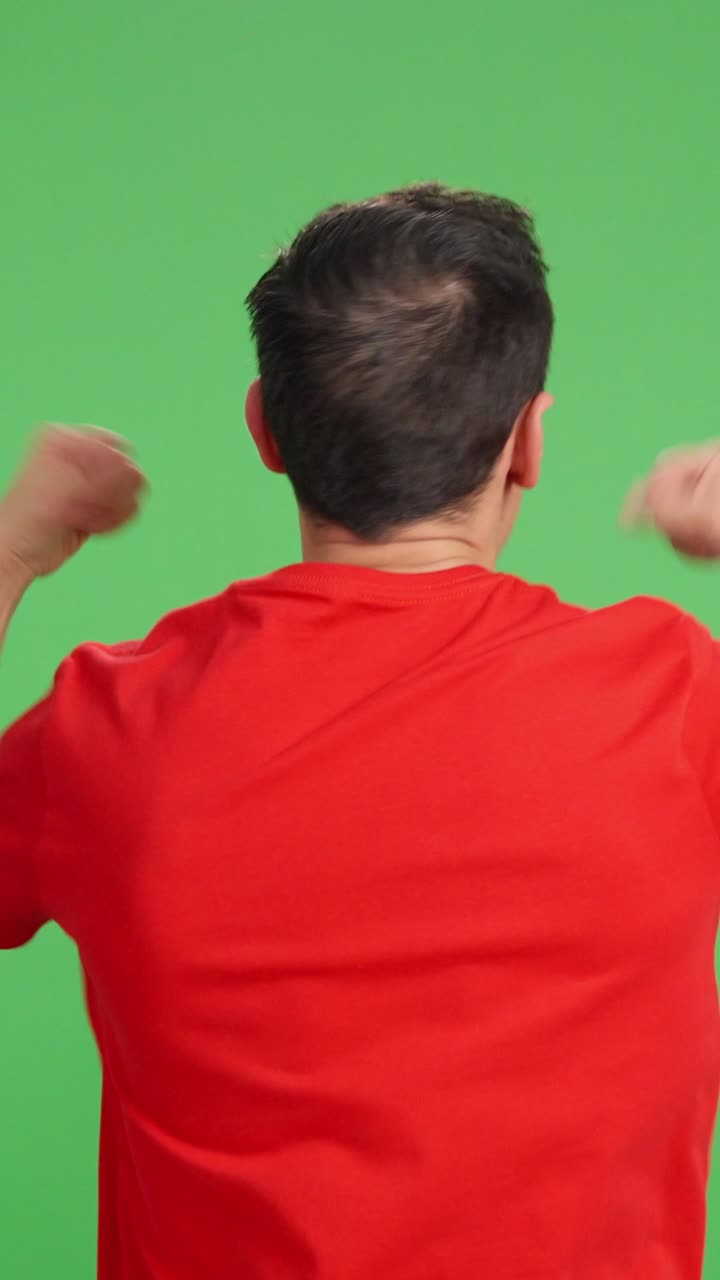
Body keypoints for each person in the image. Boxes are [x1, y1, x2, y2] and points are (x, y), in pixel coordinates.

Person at [1, 183, 719, 1280]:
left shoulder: (116, 724)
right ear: (529, 440)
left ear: (265, 429)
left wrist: (15, 543)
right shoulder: (670, 699)